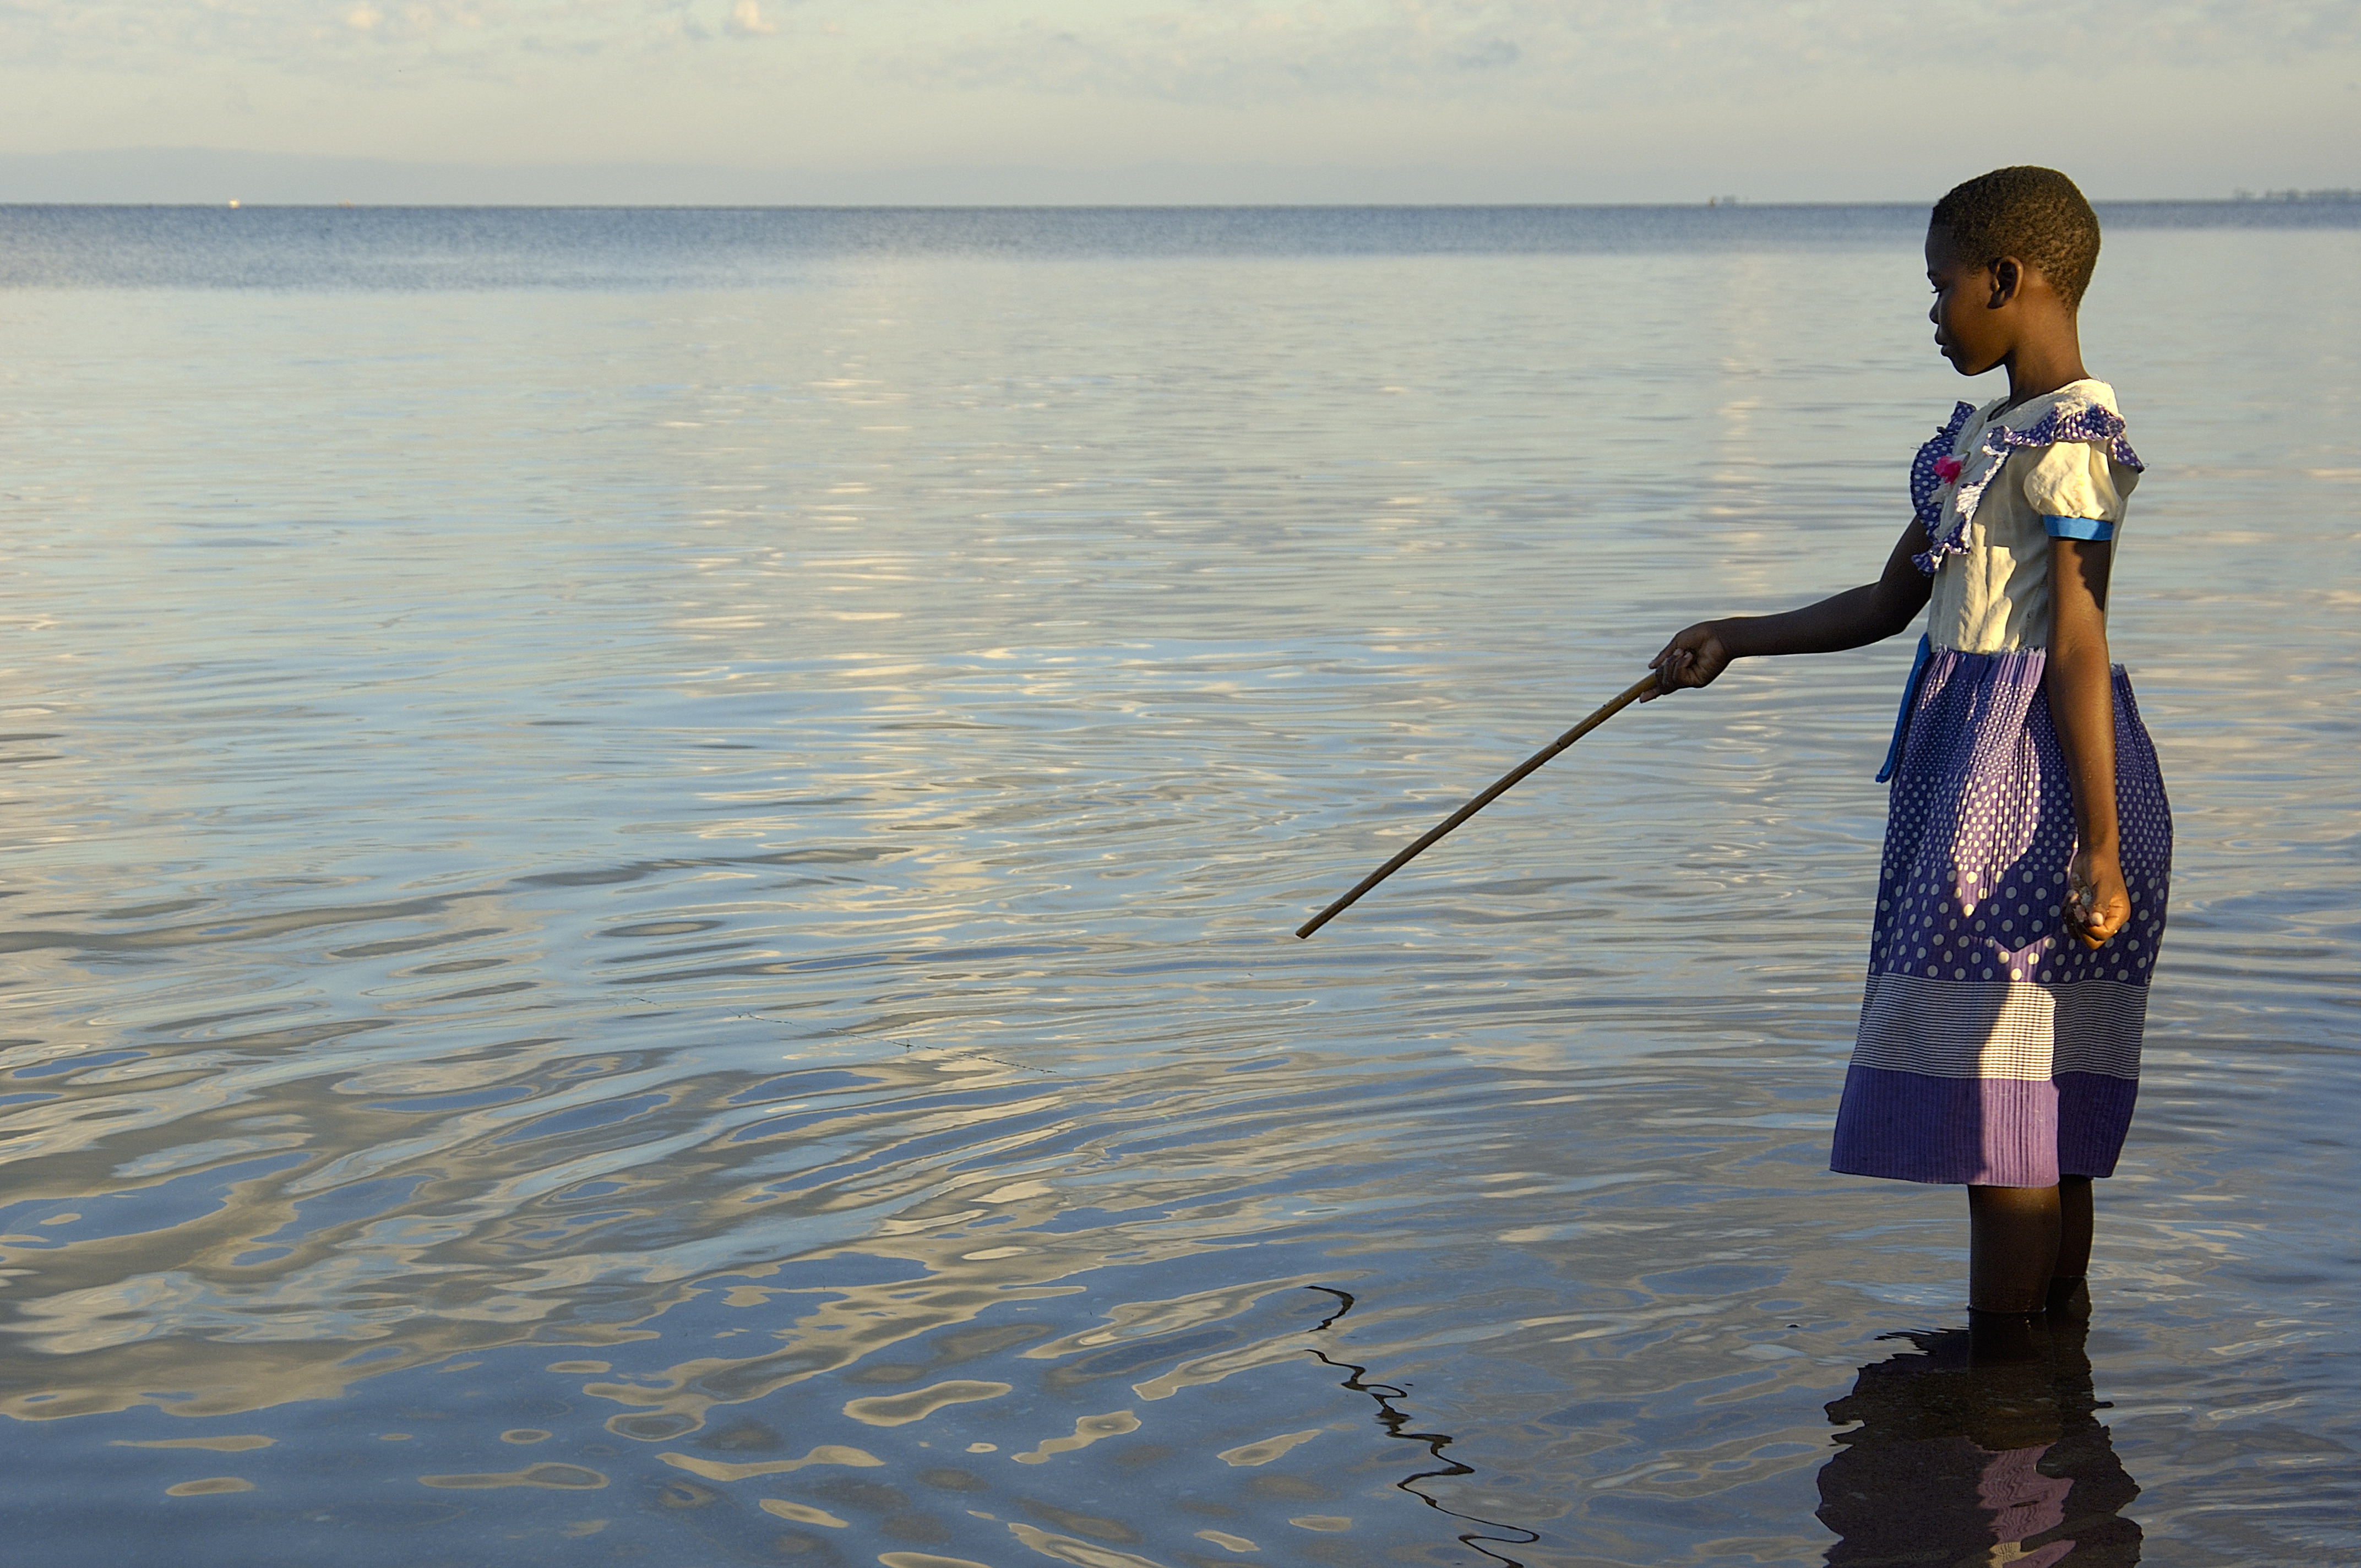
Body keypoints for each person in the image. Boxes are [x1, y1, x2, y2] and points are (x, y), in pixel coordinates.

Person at [1647, 166, 2171, 1336]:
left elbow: (2077, 641)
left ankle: (2002, 1387)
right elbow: (1892, 600)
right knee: (2036, 1099)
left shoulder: (2071, 440)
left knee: (2012, 1107)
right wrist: (1735, 636)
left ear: (2004, 279)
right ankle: (2050, 1382)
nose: (1932, 314)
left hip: (2030, 785)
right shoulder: (1985, 437)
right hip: (1970, 772)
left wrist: (2097, 843)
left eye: (1940, 289)